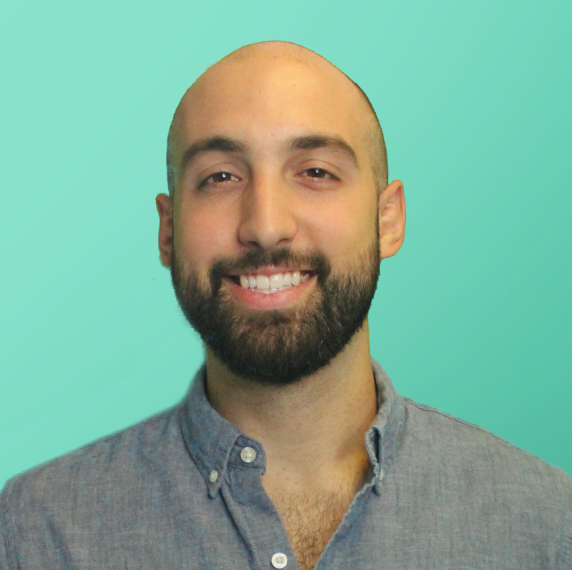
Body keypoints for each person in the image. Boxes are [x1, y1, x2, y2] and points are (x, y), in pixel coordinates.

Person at [1, 40, 570, 570]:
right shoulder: (35, 532)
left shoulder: (547, 525)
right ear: (168, 231)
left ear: (388, 219)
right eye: (220, 176)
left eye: (316, 172)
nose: (266, 225)